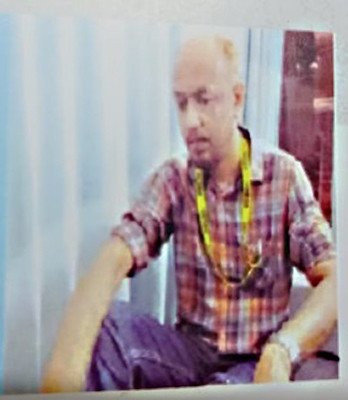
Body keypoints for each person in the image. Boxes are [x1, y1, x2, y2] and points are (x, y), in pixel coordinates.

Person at [41, 36, 337, 392]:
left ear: (237, 98)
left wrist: (283, 350)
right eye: (181, 103)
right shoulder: (175, 177)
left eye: (203, 99)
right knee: (104, 327)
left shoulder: (284, 175)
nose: (190, 120)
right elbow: (116, 255)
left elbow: (336, 279)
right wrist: (67, 364)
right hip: (188, 352)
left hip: (253, 361)